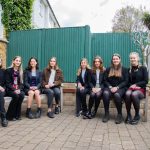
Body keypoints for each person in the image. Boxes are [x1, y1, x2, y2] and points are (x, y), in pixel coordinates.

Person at [103, 53, 128, 124]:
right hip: (110, 87)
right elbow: (105, 80)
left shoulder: (124, 69)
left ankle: (119, 114)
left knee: (117, 95)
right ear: (112, 60)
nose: (115, 60)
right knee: (105, 93)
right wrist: (110, 87)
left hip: (121, 88)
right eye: (114, 59)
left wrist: (117, 87)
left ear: (120, 60)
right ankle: (106, 114)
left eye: (117, 59)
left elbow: (126, 81)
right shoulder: (108, 69)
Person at [125, 52, 148, 125]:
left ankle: (137, 115)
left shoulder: (143, 68)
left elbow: (145, 81)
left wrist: (136, 85)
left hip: (141, 89)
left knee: (134, 94)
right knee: (127, 93)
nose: (132, 59)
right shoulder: (129, 69)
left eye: (134, 58)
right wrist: (132, 86)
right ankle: (128, 115)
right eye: (131, 58)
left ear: (137, 58)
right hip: (131, 88)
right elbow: (127, 82)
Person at [5, 56, 25, 121]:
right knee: (16, 96)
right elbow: (7, 83)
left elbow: (22, 83)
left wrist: (19, 89)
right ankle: (9, 116)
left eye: (19, 61)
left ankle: (17, 114)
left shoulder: (21, 71)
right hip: (10, 89)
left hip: (18, 89)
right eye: (16, 60)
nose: (18, 62)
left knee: (22, 95)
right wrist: (14, 90)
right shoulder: (8, 70)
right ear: (13, 61)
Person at [0, 58, 8, 127]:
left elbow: (6, 82)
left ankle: (3, 117)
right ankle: (3, 116)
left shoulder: (4, 71)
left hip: (2, 90)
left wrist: (3, 88)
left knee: (0, 96)